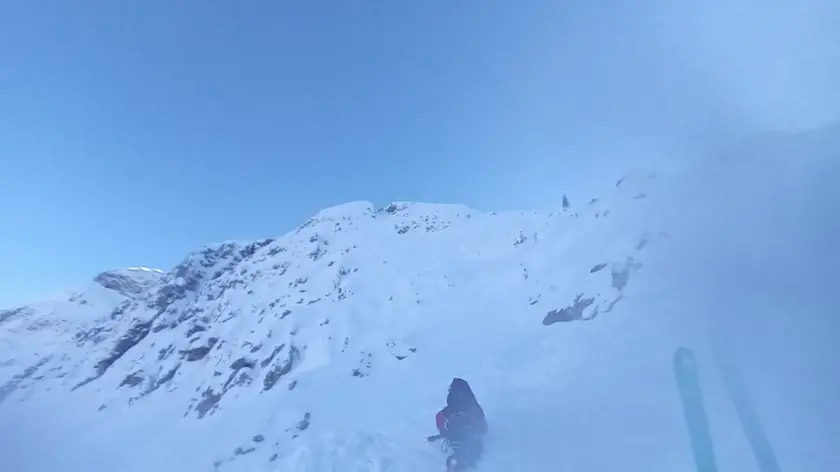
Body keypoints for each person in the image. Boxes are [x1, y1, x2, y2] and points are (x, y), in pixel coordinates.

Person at [426, 378, 488, 471]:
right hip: (464, 439)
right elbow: (483, 427)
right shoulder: (473, 407)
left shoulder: (452, 408)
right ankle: (463, 461)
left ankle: (461, 461)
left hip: (460, 439)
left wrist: (444, 431)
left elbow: (439, 417)